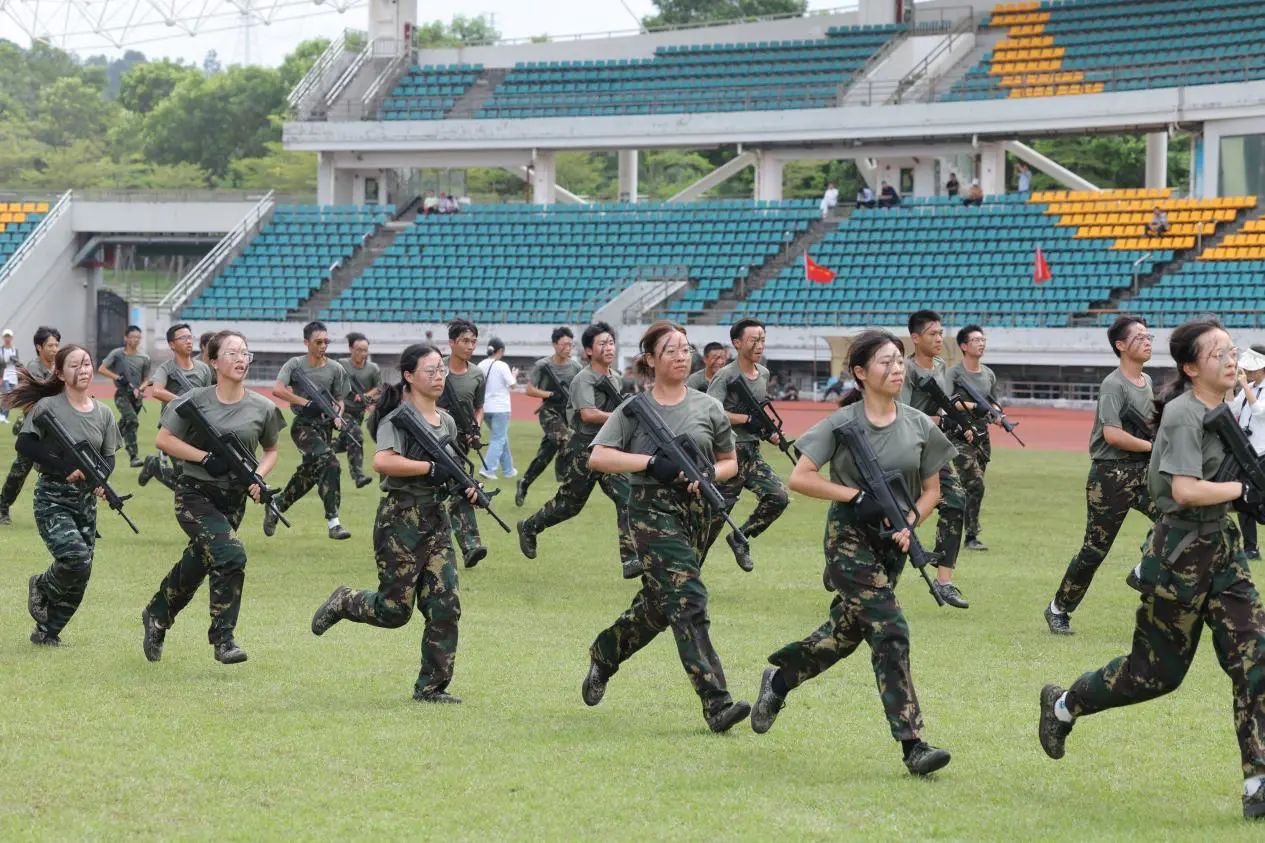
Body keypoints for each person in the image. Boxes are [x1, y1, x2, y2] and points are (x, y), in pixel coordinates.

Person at [1039, 318, 1265, 821]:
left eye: (1233, 351)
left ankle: (1258, 781)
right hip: (1181, 554)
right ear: (1191, 367)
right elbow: (1184, 489)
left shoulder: (1227, 407)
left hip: (1222, 550)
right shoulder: (1183, 414)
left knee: (1255, 657)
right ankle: (1063, 705)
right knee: (1154, 673)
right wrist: (1243, 491)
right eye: (1219, 354)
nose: (1232, 360)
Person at [750, 329, 955, 776]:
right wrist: (853, 495)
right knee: (891, 628)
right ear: (860, 372)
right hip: (848, 538)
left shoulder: (919, 424)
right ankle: (913, 744)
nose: (897, 368)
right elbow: (801, 477)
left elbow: (932, 490)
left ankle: (779, 680)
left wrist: (911, 522)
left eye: (899, 360)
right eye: (886, 361)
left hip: (893, 542)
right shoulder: (841, 424)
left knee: (845, 634)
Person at [582, 319, 751, 733]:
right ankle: (716, 703)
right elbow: (598, 456)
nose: (680, 356)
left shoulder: (708, 407)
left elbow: (730, 461)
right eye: (670, 350)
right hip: (651, 510)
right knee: (689, 598)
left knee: (663, 603)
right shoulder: (633, 409)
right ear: (651, 359)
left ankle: (605, 652)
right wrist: (650, 463)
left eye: (684, 349)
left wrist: (710, 474)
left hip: (697, 510)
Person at [310, 343, 474, 703]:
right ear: (409, 376)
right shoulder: (397, 419)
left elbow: (452, 471)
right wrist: (429, 468)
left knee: (445, 605)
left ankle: (431, 687)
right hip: (400, 521)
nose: (439, 376)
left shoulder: (446, 420)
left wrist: (465, 487)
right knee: (394, 611)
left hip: (436, 520)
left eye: (441, 369)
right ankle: (345, 601)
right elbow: (383, 462)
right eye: (430, 370)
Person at [140, 330, 285, 666]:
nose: (240, 359)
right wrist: (204, 458)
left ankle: (157, 613)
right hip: (194, 494)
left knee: (200, 562)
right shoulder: (194, 401)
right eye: (232, 353)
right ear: (214, 361)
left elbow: (272, 450)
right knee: (231, 554)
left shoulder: (263, 407)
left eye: (245, 353)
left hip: (233, 501)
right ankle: (223, 639)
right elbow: (164, 439)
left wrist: (258, 477)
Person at [1045, 316, 1159, 635]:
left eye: (1148, 335)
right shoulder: (1114, 384)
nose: (1147, 341)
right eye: (1139, 337)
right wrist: (1153, 446)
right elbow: (1112, 434)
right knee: (1095, 550)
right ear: (1120, 345)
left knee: (1176, 518)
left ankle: (1144, 570)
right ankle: (1058, 608)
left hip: (1142, 471)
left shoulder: (1147, 381)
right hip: (1110, 476)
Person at [4, 344, 121, 646]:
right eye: (74, 365)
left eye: (87, 364)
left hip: (85, 501)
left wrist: (100, 480)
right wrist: (64, 466)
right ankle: (41, 586)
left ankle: (48, 633)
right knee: (76, 559)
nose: (83, 370)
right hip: (52, 497)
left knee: (83, 573)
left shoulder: (104, 413)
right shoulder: (48, 407)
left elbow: (109, 457)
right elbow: (25, 445)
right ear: (59, 373)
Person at [516, 322, 639, 577]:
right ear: (589, 351)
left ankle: (630, 558)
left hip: (607, 448)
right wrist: (620, 416)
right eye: (602, 344)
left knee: (626, 497)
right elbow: (588, 414)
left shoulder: (615, 378)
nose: (609, 347)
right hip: (584, 448)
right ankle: (529, 526)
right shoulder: (584, 378)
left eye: (611, 342)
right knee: (569, 505)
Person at [898, 310, 970, 608]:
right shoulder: (905, 370)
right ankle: (850, 560)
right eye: (932, 334)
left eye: (941, 333)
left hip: (933, 450)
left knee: (955, 502)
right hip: (905, 450)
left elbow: (943, 405)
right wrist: (939, 420)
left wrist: (959, 419)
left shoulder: (940, 366)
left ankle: (944, 582)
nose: (939, 338)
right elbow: (901, 413)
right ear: (915, 338)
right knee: (892, 513)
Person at [707, 318, 791, 572]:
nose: (759, 345)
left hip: (752, 453)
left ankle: (740, 536)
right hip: (728, 454)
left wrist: (769, 432)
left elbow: (760, 414)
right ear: (737, 343)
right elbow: (711, 411)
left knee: (778, 496)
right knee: (710, 524)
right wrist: (745, 420)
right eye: (753, 340)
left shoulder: (763, 373)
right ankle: (686, 576)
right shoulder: (725, 375)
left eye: (762, 339)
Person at [267, 320, 352, 540]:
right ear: (307, 343)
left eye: (326, 341)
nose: (323, 346)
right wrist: (305, 403)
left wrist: (338, 415)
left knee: (311, 472)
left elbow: (339, 400)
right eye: (318, 342)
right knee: (330, 462)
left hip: (325, 427)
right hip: (303, 425)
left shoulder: (336, 368)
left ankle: (277, 505)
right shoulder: (295, 364)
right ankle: (334, 522)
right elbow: (278, 390)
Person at [138, 323, 215, 490]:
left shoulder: (204, 369)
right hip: (175, 429)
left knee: (195, 475)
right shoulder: (166, 368)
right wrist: (185, 401)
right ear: (172, 344)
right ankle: (157, 468)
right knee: (184, 478)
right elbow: (157, 391)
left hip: (198, 428)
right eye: (183, 338)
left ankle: (156, 467)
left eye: (190, 337)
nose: (188, 341)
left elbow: (208, 397)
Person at [438, 319, 488, 568]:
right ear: (452, 342)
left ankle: (468, 547)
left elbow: (478, 407)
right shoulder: (436, 368)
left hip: (461, 442)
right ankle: (470, 545)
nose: (470, 346)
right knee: (460, 485)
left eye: (473, 341)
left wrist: (475, 428)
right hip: (433, 437)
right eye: (465, 341)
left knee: (456, 487)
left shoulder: (477, 374)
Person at [0, 325, 59, 525]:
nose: (54, 349)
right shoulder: (35, 368)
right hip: (34, 430)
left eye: (56, 345)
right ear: (39, 347)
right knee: (20, 471)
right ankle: (2, 506)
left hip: (54, 429)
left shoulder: (59, 366)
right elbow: (44, 394)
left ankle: (58, 511)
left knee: (58, 470)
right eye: (50, 345)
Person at [518, 326, 582, 507]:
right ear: (555, 345)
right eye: (564, 344)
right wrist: (550, 394)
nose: (568, 348)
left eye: (570, 345)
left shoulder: (576, 367)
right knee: (566, 439)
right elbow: (529, 389)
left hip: (566, 413)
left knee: (545, 454)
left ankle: (524, 482)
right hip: (549, 412)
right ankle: (564, 479)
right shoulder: (543, 365)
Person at [948, 325, 997, 552]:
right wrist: (975, 406)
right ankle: (968, 535)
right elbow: (947, 402)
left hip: (981, 436)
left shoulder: (988, 374)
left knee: (973, 487)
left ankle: (967, 534)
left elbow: (992, 401)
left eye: (983, 339)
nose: (981, 343)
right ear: (964, 346)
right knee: (975, 483)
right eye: (976, 340)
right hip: (960, 434)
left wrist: (998, 415)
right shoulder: (953, 374)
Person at [1228, 345, 1265, 560]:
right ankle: (1250, 547)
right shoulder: (1247, 387)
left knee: (1259, 499)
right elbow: (1232, 409)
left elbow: (1259, 412)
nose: (1247, 372)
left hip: (1263, 452)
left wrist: (1244, 385)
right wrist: (1230, 387)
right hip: (1245, 452)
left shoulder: (1250, 388)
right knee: (1244, 497)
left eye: (1252, 369)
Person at [98, 324, 151, 468]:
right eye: (133, 337)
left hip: (136, 398)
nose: (135, 340)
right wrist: (118, 378)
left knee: (124, 424)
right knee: (132, 420)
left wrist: (141, 388)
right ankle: (134, 457)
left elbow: (146, 379)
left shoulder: (144, 357)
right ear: (126, 338)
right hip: (122, 395)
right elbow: (102, 369)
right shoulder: (118, 354)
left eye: (138, 337)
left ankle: (104, 447)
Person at [336, 332, 382, 490]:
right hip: (342, 411)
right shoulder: (341, 365)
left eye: (365, 350)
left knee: (346, 442)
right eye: (359, 350)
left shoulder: (373, 369)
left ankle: (321, 448)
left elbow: (379, 388)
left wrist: (366, 396)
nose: (362, 353)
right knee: (356, 436)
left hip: (359, 413)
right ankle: (358, 475)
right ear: (350, 349)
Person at [476, 337, 517, 481]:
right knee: (498, 439)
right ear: (500, 351)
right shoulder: (502, 365)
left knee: (501, 437)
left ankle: (508, 470)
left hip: (485, 407)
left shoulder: (481, 364)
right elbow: (512, 385)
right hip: (500, 407)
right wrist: (514, 375)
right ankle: (488, 469)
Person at [0, 328, 20, 423]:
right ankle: (3, 415)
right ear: (3, 338)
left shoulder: (15, 350)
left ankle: (3, 415)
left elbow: (17, 363)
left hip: (13, 377)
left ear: (11, 338)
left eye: (9, 337)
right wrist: (8, 361)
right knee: (7, 394)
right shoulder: (1, 350)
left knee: (10, 397)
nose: (7, 339)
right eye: (6, 337)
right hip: (4, 376)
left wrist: (15, 361)